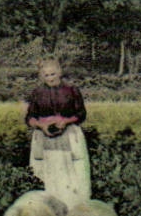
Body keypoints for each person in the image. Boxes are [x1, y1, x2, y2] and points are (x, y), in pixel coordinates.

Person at [25, 59, 91, 204]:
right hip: (44, 138)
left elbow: (81, 114)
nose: (50, 78)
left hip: (69, 136)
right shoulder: (37, 93)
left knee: (72, 176)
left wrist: (65, 121)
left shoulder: (72, 90)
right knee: (46, 175)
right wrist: (41, 125)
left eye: (53, 74)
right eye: (46, 75)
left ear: (59, 73)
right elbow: (29, 118)